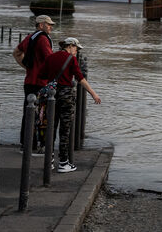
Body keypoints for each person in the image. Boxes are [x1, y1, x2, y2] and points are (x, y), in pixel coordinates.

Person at [39, 37, 101, 173]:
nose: (76, 51)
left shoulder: (51, 57)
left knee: (51, 127)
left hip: (52, 96)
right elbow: (80, 79)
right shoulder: (71, 59)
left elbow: (41, 74)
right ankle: (63, 163)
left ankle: (49, 161)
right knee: (65, 130)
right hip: (66, 96)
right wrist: (93, 93)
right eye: (76, 48)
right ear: (70, 46)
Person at [12, 15, 55, 152]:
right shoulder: (43, 39)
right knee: (41, 115)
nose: (51, 27)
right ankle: (37, 145)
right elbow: (50, 60)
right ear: (41, 25)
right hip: (41, 83)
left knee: (28, 112)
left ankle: (25, 143)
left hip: (29, 81)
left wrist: (27, 67)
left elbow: (16, 52)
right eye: (48, 24)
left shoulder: (30, 37)